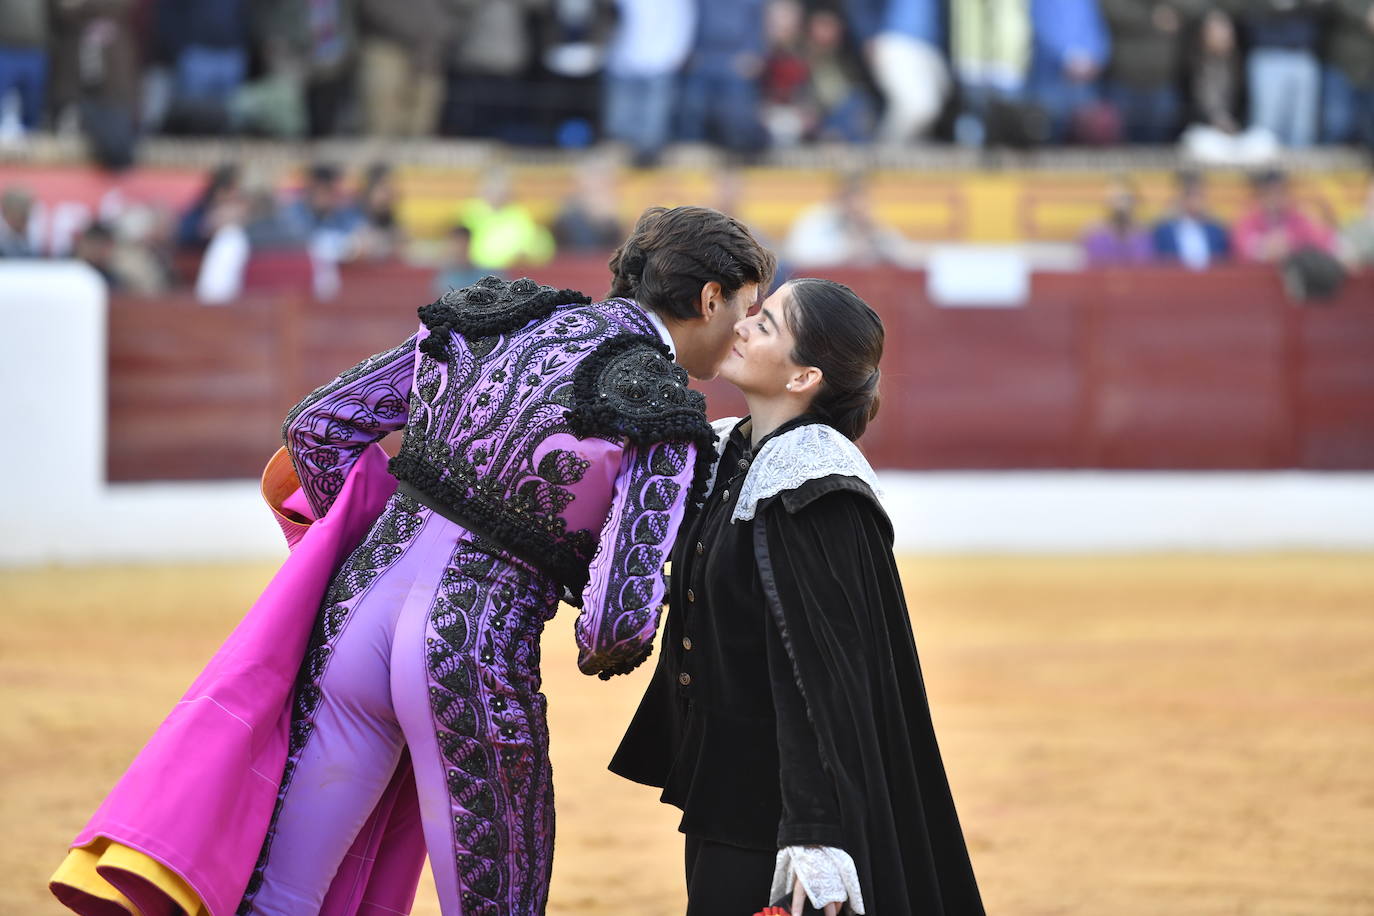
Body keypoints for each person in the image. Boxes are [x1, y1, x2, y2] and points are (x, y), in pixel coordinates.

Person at [51, 205, 777, 916]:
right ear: (709, 298)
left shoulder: (496, 314)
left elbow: (318, 428)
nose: (747, 327)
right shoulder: (661, 409)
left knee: (281, 896)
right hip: (472, 654)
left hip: (356, 619)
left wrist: (365, 540)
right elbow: (614, 624)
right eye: (748, 307)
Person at [611, 277, 984, 915]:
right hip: (727, 789)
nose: (745, 322)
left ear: (802, 378)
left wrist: (817, 833)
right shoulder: (735, 456)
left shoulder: (812, 482)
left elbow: (828, 671)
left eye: (770, 324)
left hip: (781, 808)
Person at [1233, 169, 1335, 263]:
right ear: (1260, 195)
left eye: (1280, 192)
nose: (1275, 198)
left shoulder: (1299, 219)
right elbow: (1241, 248)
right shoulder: (1248, 220)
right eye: (1269, 193)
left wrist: (1292, 244)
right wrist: (1264, 248)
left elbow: (1324, 241)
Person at [1152, 171, 1231, 269]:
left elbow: (1223, 262)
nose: (1196, 200)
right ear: (1180, 197)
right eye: (1190, 195)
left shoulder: (1216, 231)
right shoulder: (1164, 231)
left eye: (1199, 195)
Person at [1081, 176, 1153, 265]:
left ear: (1135, 200)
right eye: (1114, 198)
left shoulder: (1145, 234)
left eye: (1124, 198)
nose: (1120, 204)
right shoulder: (1093, 234)